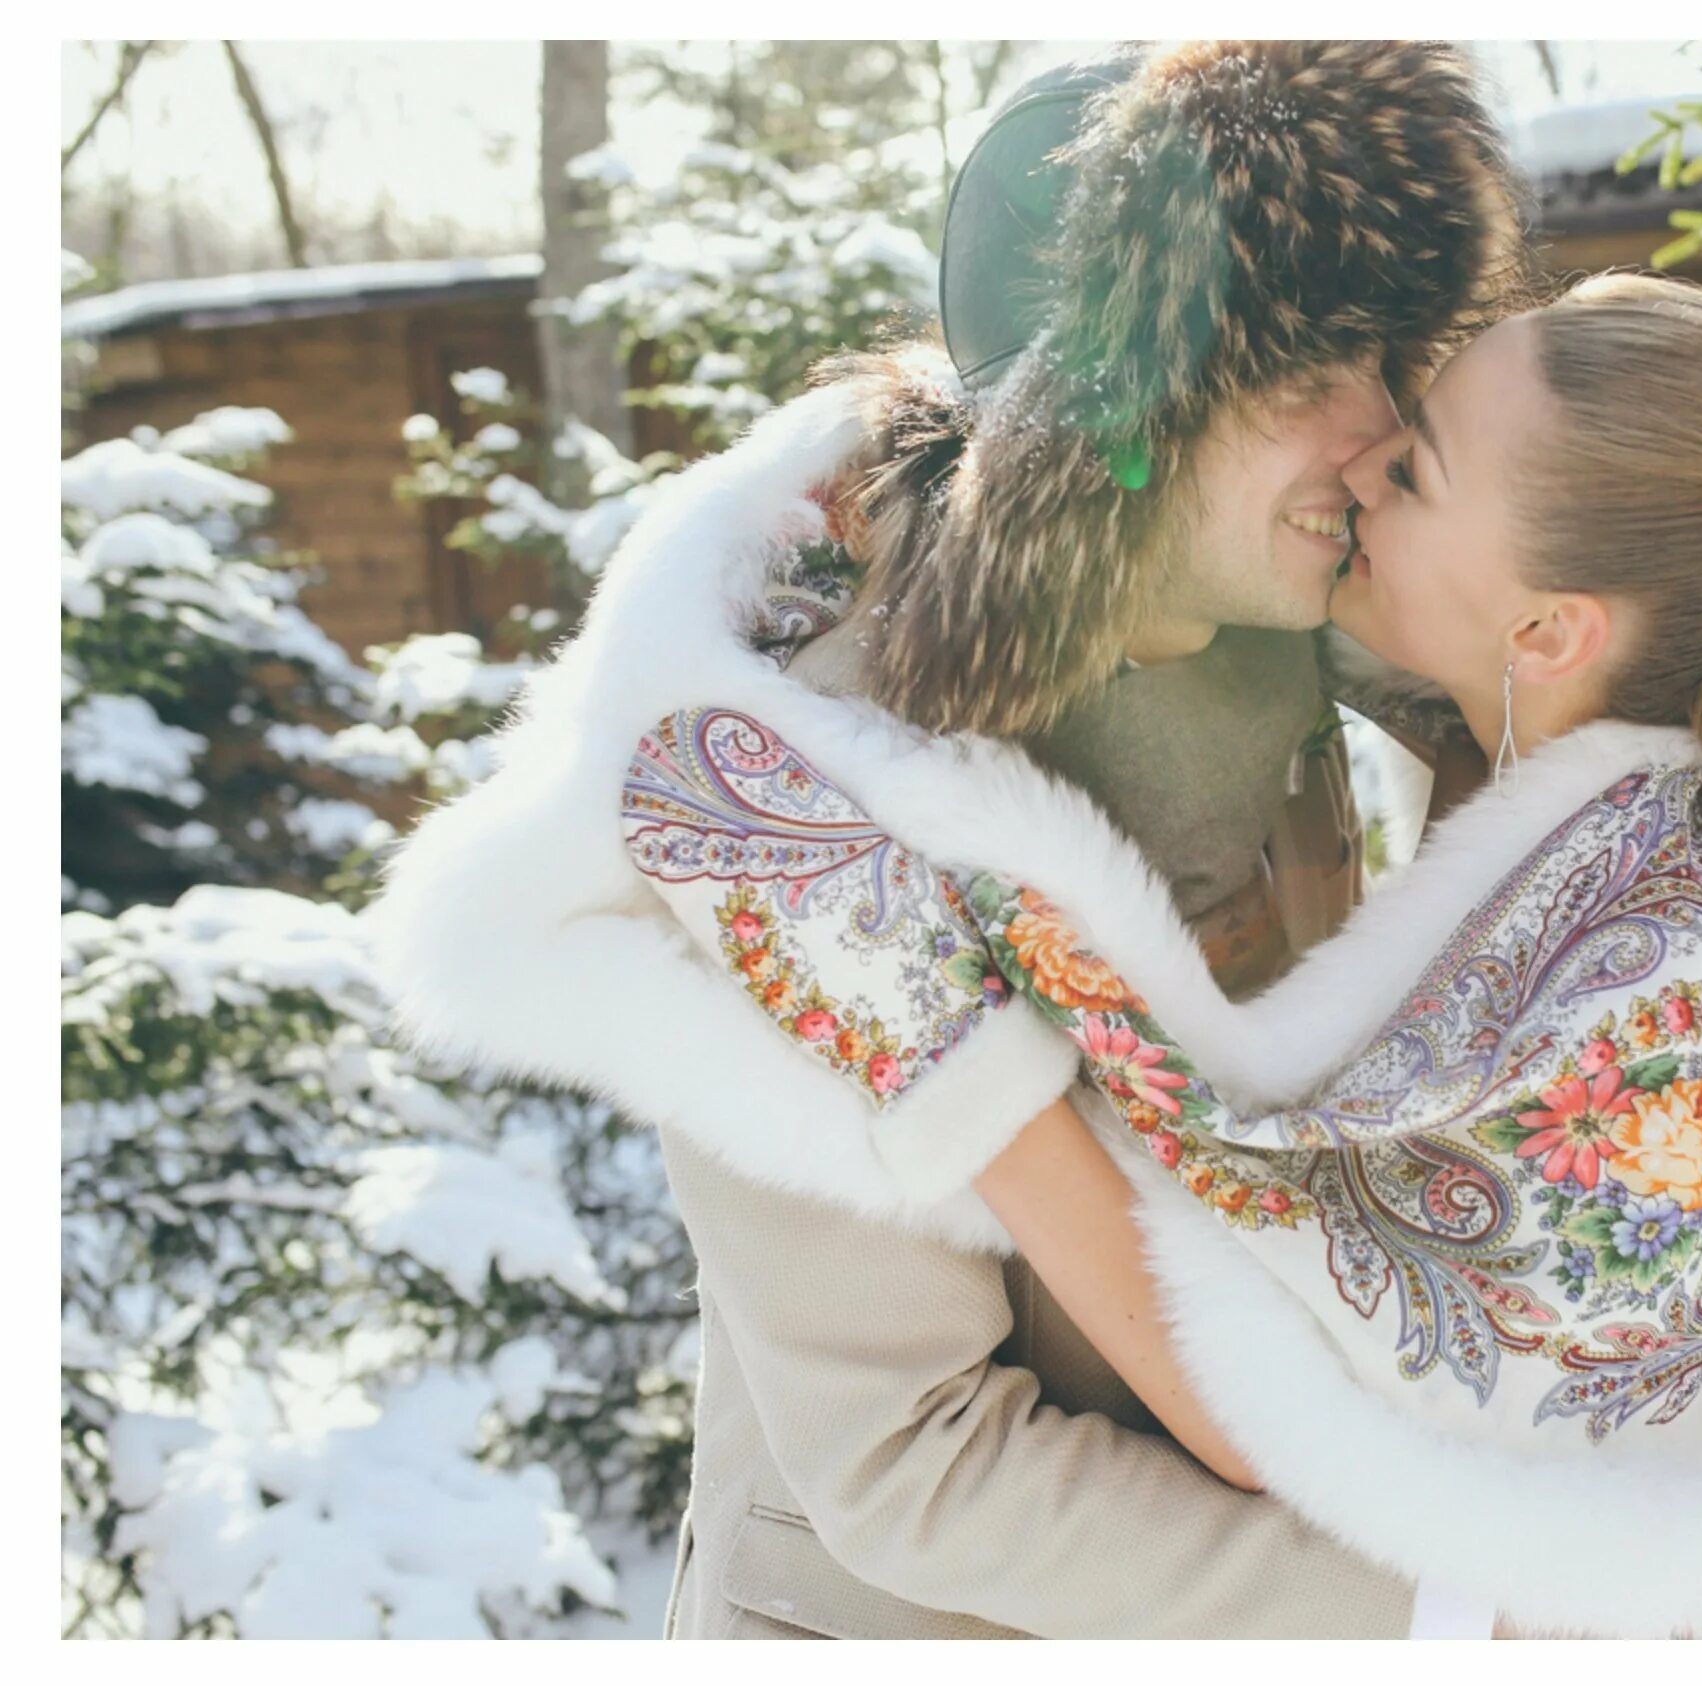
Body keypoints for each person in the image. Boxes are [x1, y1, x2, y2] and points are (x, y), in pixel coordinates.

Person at [617, 273, 1702, 1637]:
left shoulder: (1665, 963)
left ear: (1547, 628)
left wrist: (948, 1046)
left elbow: (1306, 1346)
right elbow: (909, 1461)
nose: (1360, 459)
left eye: (1408, 454)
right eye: (1315, 384)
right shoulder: (834, 736)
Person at [373, 41, 1526, 1638]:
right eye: (1303, 374)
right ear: (1116, 408)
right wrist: (1458, 1605)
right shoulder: (796, 787)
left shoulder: (1287, 606)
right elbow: (910, 1460)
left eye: (1395, 360)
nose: (1382, 428)